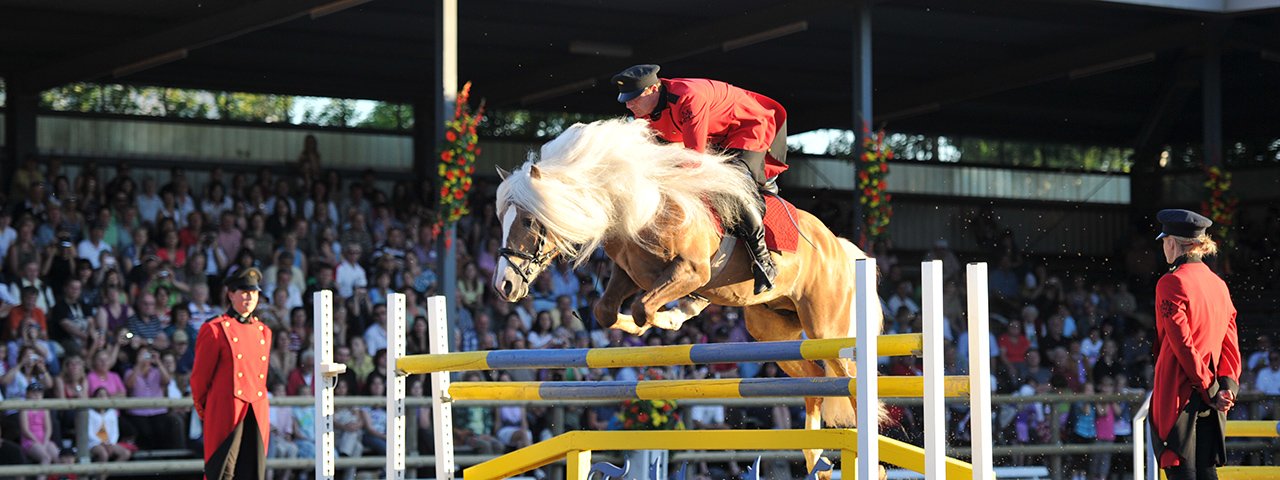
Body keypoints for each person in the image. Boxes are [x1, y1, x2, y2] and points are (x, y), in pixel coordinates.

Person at [611, 63, 788, 293]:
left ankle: (763, 260)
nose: (627, 104)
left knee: (728, 182)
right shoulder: (642, 113)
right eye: (626, 99)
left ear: (651, 90)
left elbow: (695, 159)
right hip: (717, 137)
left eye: (633, 98)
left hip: (748, 129)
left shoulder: (688, 98)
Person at [1149, 209, 1241, 480]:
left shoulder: (1171, 282)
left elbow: (1182, 345)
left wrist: (1210, 389)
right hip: (1211, 399)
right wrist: (1226, 386)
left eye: (1164, 241)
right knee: (1206, 473)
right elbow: (1230, 342)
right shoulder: (1218, 284)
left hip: (1181, 395)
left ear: (1172, 243)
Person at [192, 267, 272, 480]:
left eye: (253, 292)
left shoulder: (264, 331)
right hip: (227, 410)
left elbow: (260, 376)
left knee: (253, 471)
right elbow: (200, 378)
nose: (249, 297)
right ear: (231, 294)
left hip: (256, 409)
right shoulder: (215, 329)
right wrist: (206, 411)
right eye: (244, 292)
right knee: (222, 471)